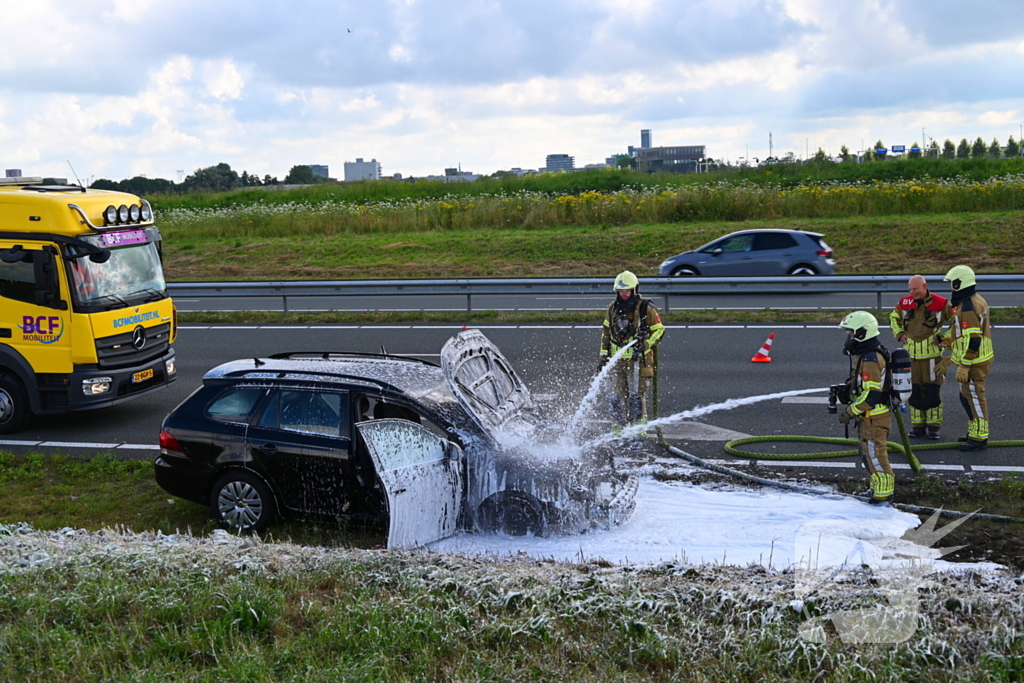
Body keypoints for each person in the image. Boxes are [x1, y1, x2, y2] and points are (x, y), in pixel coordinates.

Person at [837, 311, 895, 505]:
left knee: (876, 456)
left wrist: (850, 412)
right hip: (870, 416)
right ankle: (878, 489)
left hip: (874, 417)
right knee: (869, 455)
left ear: (863, 333)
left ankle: (883, 495)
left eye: (851, 333)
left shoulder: (870, 359)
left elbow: (872, 395)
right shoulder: (867, 353)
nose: (849, 338)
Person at [599, 270, 665, 427]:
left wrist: (646, 343)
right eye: (620, 291)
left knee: (635, 398)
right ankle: (618, 430)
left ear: (634, 289)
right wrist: (603, 357)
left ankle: (637, 433)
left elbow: (659, 330)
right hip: (616, 360)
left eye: (627, 290)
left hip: (637, 361)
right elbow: (606, 334)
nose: (624, 295)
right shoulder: (613, 308)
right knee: (613, 397)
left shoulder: (645, 308)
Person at [888, 275, 948, 439]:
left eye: (915, 289)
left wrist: (945, 338)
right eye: (910, 289)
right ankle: (917, 427)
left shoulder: (941, 303)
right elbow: (893, 318)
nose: (912, 292)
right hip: (911, 357)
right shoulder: (904, 303)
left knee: (932, 392)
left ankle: (934, 428)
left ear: (924, 286)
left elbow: (957, 323)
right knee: (913, 392)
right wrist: (899, 334)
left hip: (932, 357)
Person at [942, 265, 994, 451]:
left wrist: (964, 365)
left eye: (952, 284)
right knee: (967, 397)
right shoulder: (973, 300)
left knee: (974, 398)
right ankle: (974, 433)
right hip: (977, 359)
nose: (950, 288)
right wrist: (949, 340)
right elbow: (965, 334)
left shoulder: (968, 307)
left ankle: (979, 438)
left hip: (974, 361)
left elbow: (973, 340)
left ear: (959, 283)